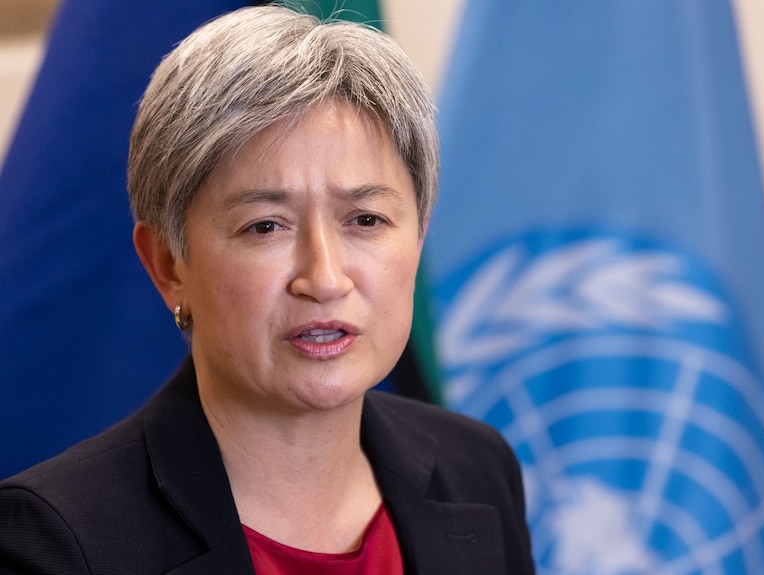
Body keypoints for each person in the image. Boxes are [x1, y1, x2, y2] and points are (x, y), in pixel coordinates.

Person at [0, 5, 535, 575]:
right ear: (168, 266)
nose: (325, 278)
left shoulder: (475, 469)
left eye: (366, 220)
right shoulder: (56, 544)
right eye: (265, 227)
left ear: (419, 237)